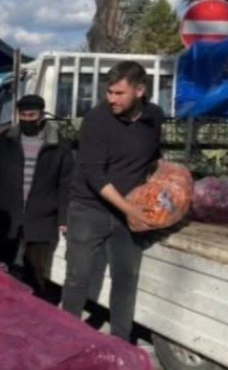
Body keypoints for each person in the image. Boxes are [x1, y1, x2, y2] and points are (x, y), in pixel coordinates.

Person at [61, 61, 164, 342]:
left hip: (127, 213)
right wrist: (130, 210)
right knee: (77, 276)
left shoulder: (154, 117)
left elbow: (153, 158)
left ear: (139, 91)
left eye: (119, 93)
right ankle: (66, 338)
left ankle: (121, 341)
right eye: (109, 92)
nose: (112, 99)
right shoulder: (97, 120)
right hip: (89, 210)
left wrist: (166, 183)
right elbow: (94, 175)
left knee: (126, 278)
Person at [0, 95, 73, 300]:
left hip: (41, 216)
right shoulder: (5, 140)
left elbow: (66, 183)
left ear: (41, 116)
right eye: (23, 115)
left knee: (35, 272)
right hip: (7, 215)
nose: (27, 119)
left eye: (31, 115)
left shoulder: (58, 144)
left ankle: (32, 310)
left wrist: (63, 217)